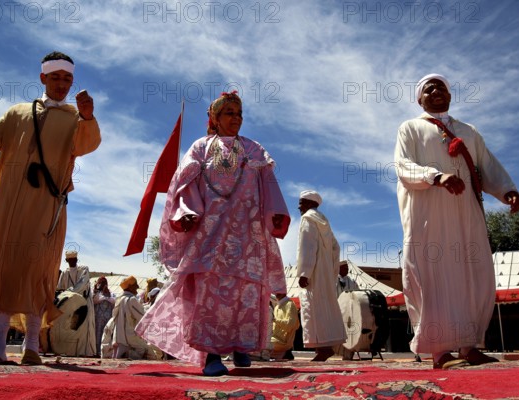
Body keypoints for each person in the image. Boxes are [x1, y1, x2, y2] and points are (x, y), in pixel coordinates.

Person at [0, 51, 101, 365]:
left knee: (36, 269)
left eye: (67, 78)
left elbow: (86, 146)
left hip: (47, 204)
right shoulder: (18, 112)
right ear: (43, 77)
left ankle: (31, 345)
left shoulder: (74, 118)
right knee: (3, 265)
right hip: (8, 203)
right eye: (55, 77)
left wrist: (87, 116)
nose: (62, 83)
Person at [136, 91, 290, 376]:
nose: (236, 118)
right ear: (215, 119)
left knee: (245, 289)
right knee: (212, 290)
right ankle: (211, 355)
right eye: (229, 113)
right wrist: (185, 212)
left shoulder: (254, 149)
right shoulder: (200, 148)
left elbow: (268, 182)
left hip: (248, 233)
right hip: (211, 233)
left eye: (239, 113)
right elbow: (184, 184)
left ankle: (241, 346)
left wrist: (276, 210)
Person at [395, 73, 519, 369]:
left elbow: (487, 166)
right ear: (419, 99)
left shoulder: (469, 131)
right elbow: (402, 166)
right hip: (428, 215)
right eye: (429, 87)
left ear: (450, 96)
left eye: (441, 86)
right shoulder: (410, 128)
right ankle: (440, 351)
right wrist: (435, 177)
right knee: (431, 274)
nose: (436, 90)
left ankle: (470, 345)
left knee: (473, 273)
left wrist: (507, 190)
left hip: (466, 213)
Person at [296, 190, 347, 361]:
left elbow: (307, 247)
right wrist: (331, 271)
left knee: (312, 308)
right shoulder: (324, 221)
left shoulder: (308, 219)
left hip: (313, 273)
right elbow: (336, 248)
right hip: (324, 273)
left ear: (311, 204)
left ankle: (323, 348)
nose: (298, 206)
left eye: (301, 202)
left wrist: (304, 272)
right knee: (323, 308)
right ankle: (323, 348)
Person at [104, 276, 162, 360]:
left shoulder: (119, 299)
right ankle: (129, 356)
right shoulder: (131, 300)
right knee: (149, 352)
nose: (138, 287)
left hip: (118, 337)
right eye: (135, 285)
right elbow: (142, 318)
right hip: (130, 336)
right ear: (130, 287)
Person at [55, 250, 96, 356]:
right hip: (70, 305)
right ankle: (70, 351)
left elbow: (82, 284)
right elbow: (60, 288)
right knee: (71, 326)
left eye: (74, 259)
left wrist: (69, 292)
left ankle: (85, 352)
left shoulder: (84, 269)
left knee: (85, 327)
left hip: (84, 302)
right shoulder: (65, 273)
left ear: (77, 259)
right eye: (70, 260)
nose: (72, 261)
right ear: (66, 260)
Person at [270, 293, 300, 360]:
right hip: (274, 338)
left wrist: (274, 320)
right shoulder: (277, 306)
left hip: (283, 341)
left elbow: (290, 325)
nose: (276, 293)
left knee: (262, 344)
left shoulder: (290, 304)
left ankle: (286, 352)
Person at [92, 276, 115, 356]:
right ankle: (96, 351)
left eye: (104, 283)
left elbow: (114, 301)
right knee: (97, 334)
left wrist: (107, 295)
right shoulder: (95, 293)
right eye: (100, 283)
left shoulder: (111, 293)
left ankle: (104, 352)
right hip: (97, 318)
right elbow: (94, 301)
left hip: (107, 318)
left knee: (105, 335)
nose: (102, 285)